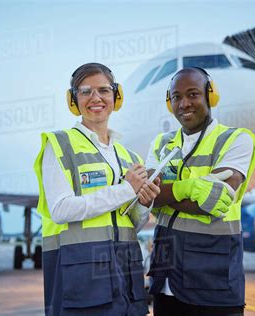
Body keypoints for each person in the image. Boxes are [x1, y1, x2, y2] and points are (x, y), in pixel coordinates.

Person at [33, 63, 160, 316]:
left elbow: (129, 224)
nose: (96, 98)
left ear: (116, 96)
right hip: (82, 277)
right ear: (73, 99)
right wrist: (126, 189)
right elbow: (60, 210)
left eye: (103, 90)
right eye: (85, 91)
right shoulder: (59, 145)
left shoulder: (129, 156)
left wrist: (144, 204)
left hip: (126, 275)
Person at [146, 67, 255, 316]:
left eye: (193, 94)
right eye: (176, 97)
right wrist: (190, 188)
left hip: (214, 282)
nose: (184, 103)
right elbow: (147, 197)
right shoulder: (161, 143)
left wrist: (163, 193)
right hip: (166, 280)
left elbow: (215, 200)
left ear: (211, 96)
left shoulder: (236, 139)